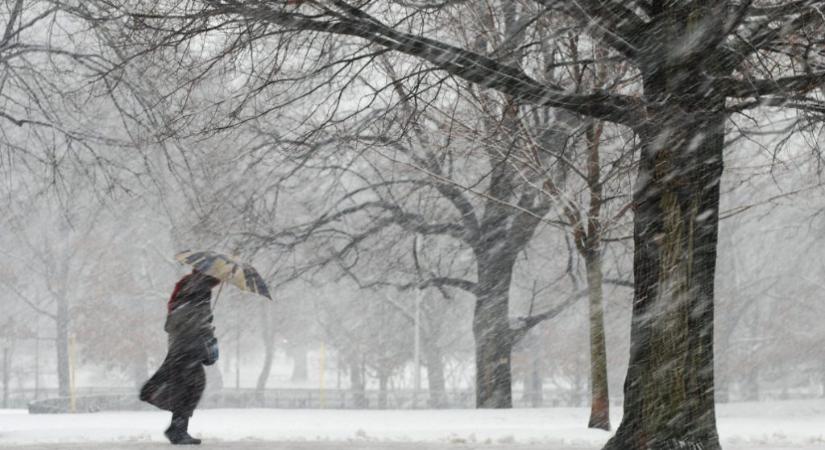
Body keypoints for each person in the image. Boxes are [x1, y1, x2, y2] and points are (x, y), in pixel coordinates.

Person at [140, 270, 221, 445]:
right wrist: (207, 332)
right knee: (190, 388)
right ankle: (177, 429)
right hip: (188, 347)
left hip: (181, 347)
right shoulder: (200, 290)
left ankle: (177, 428)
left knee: (188, 388)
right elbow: (196, 321)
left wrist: (205, 323)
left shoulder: (188, 288)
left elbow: (176, 321)